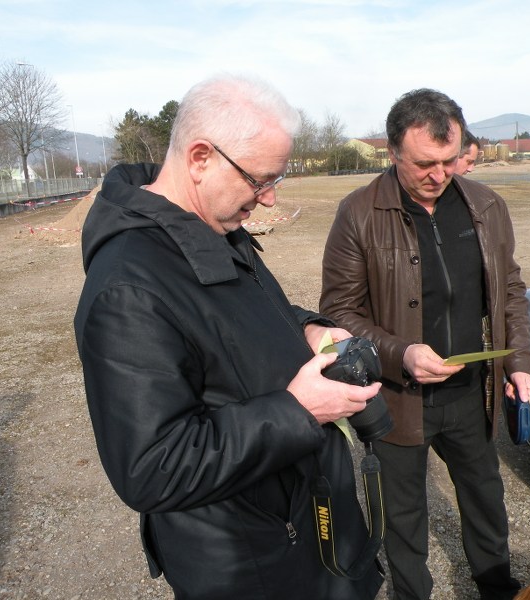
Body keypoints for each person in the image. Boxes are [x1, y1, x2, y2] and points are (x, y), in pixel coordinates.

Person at [74, 74, 384, 600]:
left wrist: (307, 327)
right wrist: (300, 411)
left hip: (304, 526)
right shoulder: (127, 290)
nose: (267, 199)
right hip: (252, 564)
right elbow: (152, 468)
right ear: (199, 158)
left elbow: (246, 314)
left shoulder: (210, 225)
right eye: (259, 180)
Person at [320, 88, 530, 600]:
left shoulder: (486, 205)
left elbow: (509, 290)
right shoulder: (358, 214)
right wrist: (402, 354)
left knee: (486, 498)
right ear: (393, 152)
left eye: (449, 160)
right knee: (404, 518)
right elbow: (338, 314)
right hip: (397, 399)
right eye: (424, 164)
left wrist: (520, 363)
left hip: (470, 395)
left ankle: (496, 587)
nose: (440, 175)